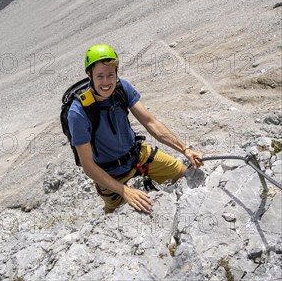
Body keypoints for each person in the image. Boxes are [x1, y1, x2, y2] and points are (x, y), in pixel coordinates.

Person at [68, 44, 204, 213]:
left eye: (110, 75)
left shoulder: (121, 88)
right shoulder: (78, 112)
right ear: (90, 75)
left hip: (138, 156)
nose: (106, 82)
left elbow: (151, 123)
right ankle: (108, 210)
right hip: (108, 171)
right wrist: (124, 190)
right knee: (114, 213)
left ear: (116, 73)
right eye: (100, 76)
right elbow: (88, 165)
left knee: (184, 174)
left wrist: (185, 149)